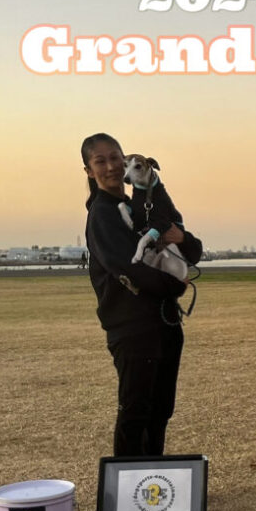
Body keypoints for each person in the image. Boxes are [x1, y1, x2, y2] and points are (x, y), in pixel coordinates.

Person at [81, 133, 203, 456]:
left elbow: (189, 248)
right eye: (100, 161)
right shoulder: (102, 214)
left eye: (116, 158)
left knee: (160, 411)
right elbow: (128, 267)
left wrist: (184, 240)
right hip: (133, 329)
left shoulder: (144, 205)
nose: (111, 166)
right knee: (135, 413)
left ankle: (154, 479)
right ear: (89, 171)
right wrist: (177, 284)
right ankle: (126, 484)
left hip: (165, 324)